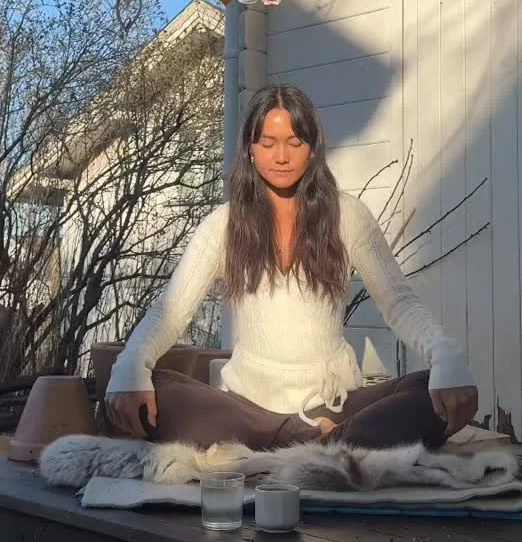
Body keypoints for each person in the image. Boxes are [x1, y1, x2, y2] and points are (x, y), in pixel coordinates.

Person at [105, 84, 478, 452]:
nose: (281, 156)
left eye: (294, 142)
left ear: (312, 148)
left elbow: (399, 301)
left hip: (334, 404)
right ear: (250, 149)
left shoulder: (347, 215)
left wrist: (445, 356)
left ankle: (301, 441)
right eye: (268, 143)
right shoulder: (224, 224)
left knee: (430, 393)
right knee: (160, 390)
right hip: (249, 411)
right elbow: (169, 313)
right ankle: (318, 441)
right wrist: (130, 366)